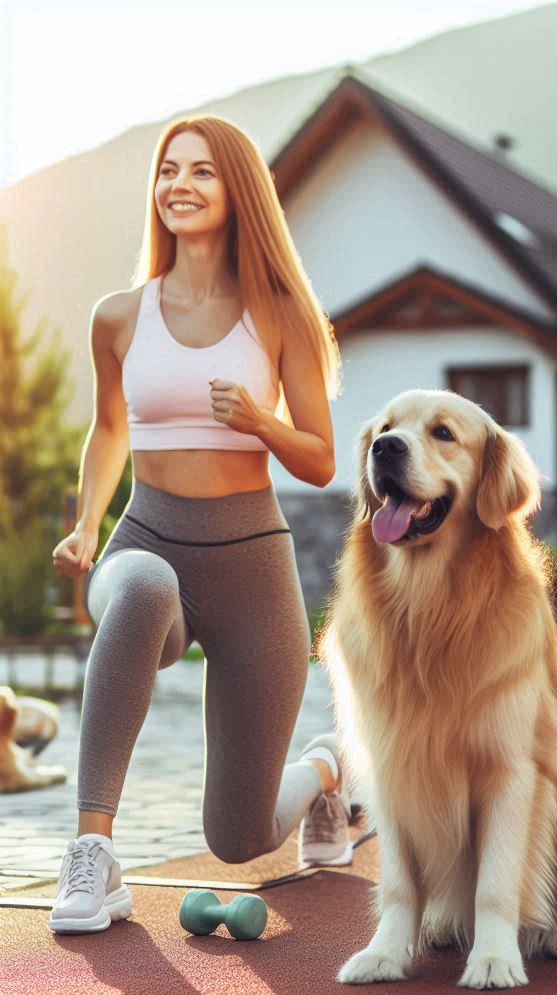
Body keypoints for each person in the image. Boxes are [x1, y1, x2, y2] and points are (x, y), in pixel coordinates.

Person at [49, 115, 351, 934]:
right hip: (146, 537)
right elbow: (110, 428)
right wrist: (86, 526)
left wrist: (261, 420)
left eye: (202, 172)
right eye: (168, 170)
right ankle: (93, 855)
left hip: (252, 564)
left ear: (237, 191)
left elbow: (321, 460)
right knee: (143, 584)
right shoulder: (120, 316)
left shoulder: (281, 313)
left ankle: (331, 770)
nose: (179, 185)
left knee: (239, 838)